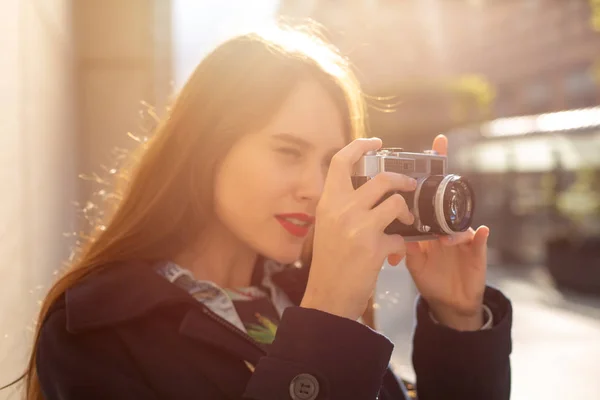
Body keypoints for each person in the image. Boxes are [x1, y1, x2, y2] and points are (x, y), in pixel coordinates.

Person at [23, 23, 512, 400]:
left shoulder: (299, 292)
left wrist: (457, 322)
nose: (316, 189)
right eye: (287, 152)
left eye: (329, 162)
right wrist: (327, 316)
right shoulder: (98, 330)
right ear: (206, 148)